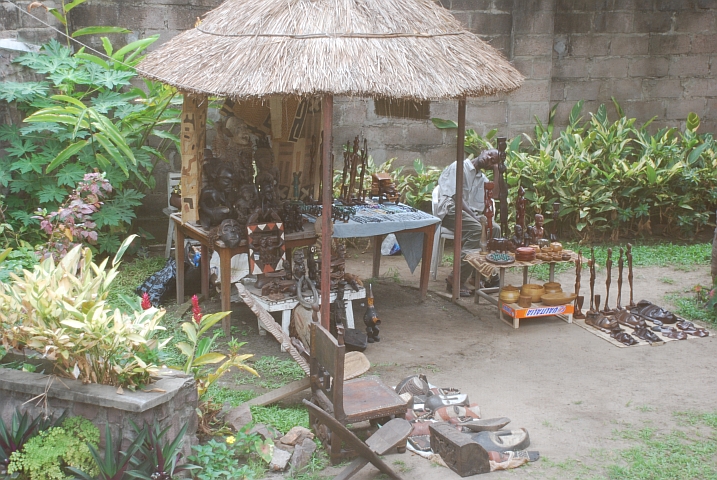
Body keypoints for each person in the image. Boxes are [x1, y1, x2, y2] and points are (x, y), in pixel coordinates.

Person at [436, 149, 502, 296]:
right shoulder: (458, 166)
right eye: (489, 154)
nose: (489, 159)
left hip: (469, 214)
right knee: (478, 230)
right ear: (483, 151)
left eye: (493, 161)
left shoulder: (481, 178)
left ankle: (479, 276)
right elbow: (457, 197)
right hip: (451, 210)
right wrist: (474, 217)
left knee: (494, 229)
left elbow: (495, 195)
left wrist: (497, 170)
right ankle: (455, 279)